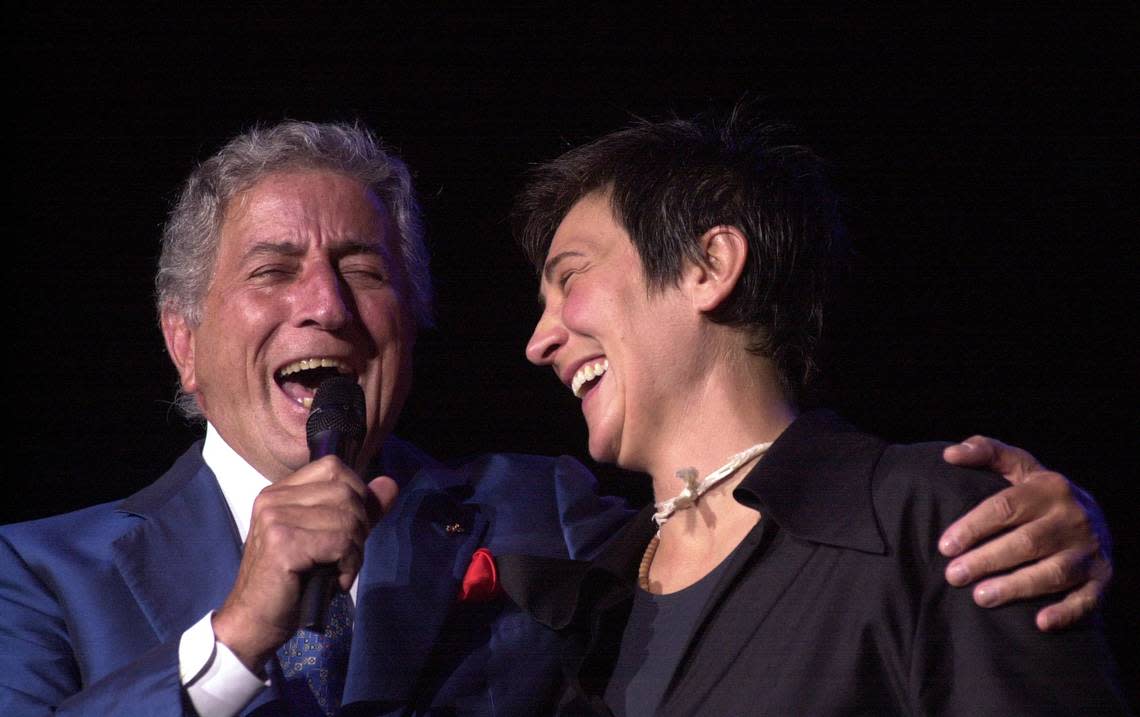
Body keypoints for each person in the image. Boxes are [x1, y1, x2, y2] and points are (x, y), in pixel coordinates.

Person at [0, 121, 1113, 717]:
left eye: (364, 269)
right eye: (275, 270)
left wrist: (1049, 518)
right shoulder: (37, 576)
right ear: (182, 342)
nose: (326, 305)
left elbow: (762, 542)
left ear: (415, 321)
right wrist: (231, 645)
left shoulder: (545, 512)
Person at [510, 110, 1127, 714]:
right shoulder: (590, 611)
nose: (539, 341)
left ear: (708, 267)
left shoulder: (939, 523)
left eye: (570, 278)